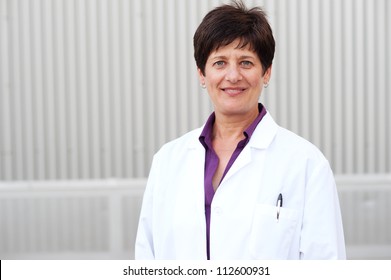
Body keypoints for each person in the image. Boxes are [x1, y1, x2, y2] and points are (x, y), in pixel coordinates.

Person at [135, 0, 346, 260]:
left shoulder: (306, 164)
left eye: (246, 62)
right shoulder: (168, 160)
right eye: (220, 63)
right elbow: (147, 257)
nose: (233, 76)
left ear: (266, 73)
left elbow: (325, 264)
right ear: (202, 74)